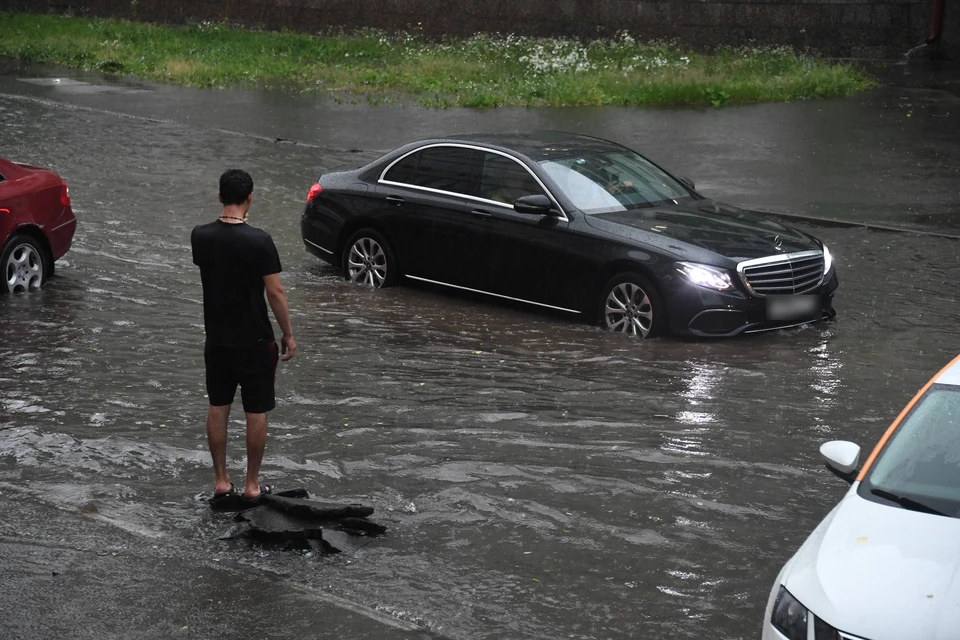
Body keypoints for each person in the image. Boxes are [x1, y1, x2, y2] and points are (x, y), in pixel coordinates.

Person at [191, 169, 296, 504]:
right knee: (256, 411)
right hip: (254, 341)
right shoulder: (260, 241)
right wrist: (288, 334)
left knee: (218, 407)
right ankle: (252, 485)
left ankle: (221, 481)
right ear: (250, 198)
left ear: (220, 196)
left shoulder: (200, 236)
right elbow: (275, 293)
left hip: (217, 340)